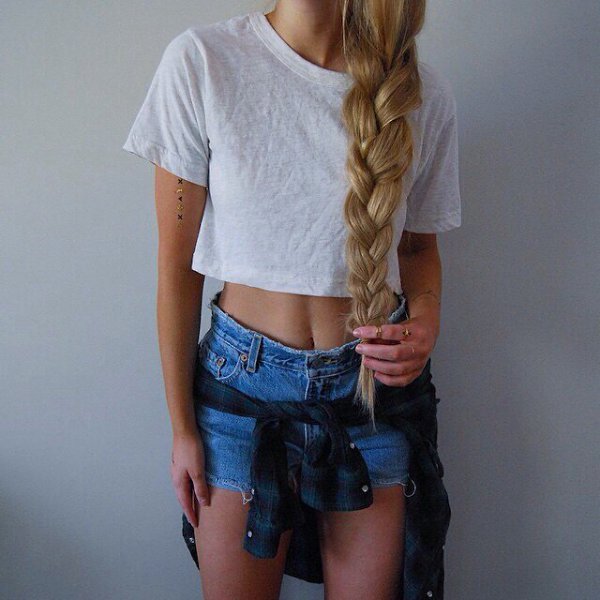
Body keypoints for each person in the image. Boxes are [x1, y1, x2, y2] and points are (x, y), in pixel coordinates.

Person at [122, 1, 461, 598]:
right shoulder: (203, 62)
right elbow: (176, 271)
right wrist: (182, 429)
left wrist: (427, 316)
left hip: (371, 397)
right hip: (238, 402)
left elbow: (417, 248)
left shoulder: (416, 91)